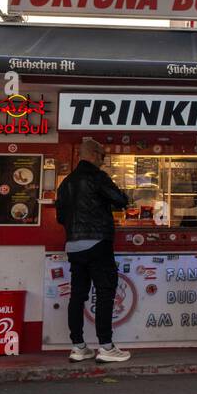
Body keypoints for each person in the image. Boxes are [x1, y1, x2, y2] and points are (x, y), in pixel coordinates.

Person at [55, 137, 131, 363]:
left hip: (74, 246)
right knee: (105, 292)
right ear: (96, 155)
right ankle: (106, 347)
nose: (104, 160)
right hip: (98, 243)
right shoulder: (98, 177)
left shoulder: (66, 183)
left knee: (78, 295)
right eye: (103, 156)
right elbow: (120, 200)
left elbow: (61, 217)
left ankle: (78, 347)